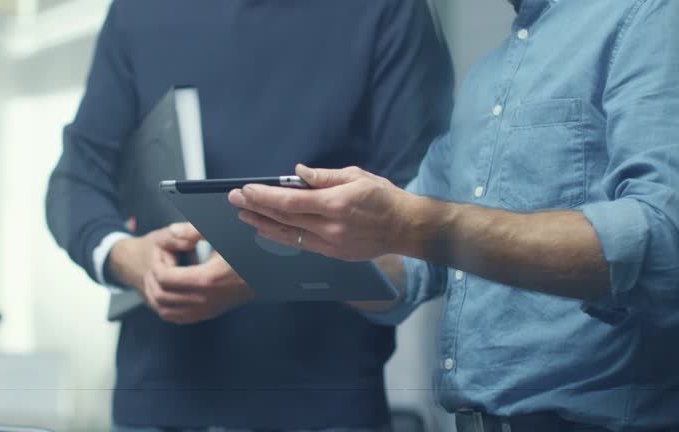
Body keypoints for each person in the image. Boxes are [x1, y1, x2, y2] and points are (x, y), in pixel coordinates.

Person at [230, 0, 679, 431]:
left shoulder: (649, 16)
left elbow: (663, 241)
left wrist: (407, 225)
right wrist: (293, 238)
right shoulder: (485, 80)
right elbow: (409, 269)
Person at [45, 1, 453, 431]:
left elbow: (426, 220)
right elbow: (75, 181)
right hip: (155, 408)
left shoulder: (387, 10)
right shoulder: (138, 10)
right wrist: (125, 258)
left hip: (321, 409)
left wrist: (261, 268)